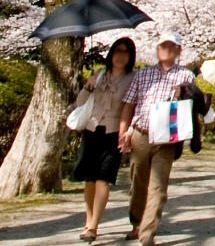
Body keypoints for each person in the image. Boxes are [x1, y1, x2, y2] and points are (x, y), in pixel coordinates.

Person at [117, 34, 197, 245]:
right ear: (157, 49)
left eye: (172, 47)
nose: (167, 50)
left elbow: (193, 106)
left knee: (158, 186)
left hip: (167, 138)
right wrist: (123, 132)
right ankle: (137, 223)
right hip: (141, 134)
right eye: (163, 46)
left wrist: (183, 94)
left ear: (179, 50)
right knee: (138, 182)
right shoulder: (142, 75)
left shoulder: (186, 76)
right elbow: (129, 104)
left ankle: (148, 231)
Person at [72, 37, 137, 242]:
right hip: (92, 129)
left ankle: (94, 225)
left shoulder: (133, 78)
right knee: (90, 179)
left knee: (103, 179)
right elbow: (80, 102)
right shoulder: (99, 74)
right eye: (118, 51)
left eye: (126, 52)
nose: (121, 55)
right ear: (111, 54)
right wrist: (88, 86)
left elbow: (133, 107)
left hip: (114, 133)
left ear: (130, 56)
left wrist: (128, 133)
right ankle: (89, 221)